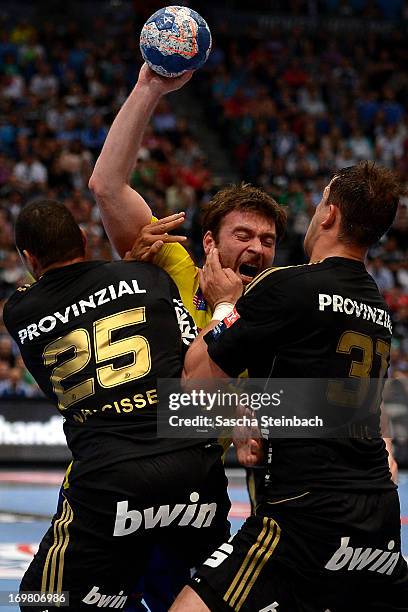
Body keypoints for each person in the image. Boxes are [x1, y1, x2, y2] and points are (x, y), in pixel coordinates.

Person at [170, 162, 408, 611]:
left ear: (330, 214)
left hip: (304, 510)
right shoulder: (376, 304)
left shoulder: (287, 285)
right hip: (377, 508)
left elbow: (196, 384)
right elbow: (329, 394)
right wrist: (250, 410)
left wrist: (223, 305)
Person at [3, 200, 230, 611]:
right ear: (85, 240)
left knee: (39, 598)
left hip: (109, 478)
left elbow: (76, 297)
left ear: (29, 259)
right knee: (194, 594)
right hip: (195, 470)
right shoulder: (148, 277)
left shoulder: (18, 310)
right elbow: (188, 358)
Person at [89, 64, 287, 519]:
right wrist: (148, 89)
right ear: (211, 243)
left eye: (268, 240)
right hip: (121, 473)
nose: (257, 247)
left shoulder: (272, 306)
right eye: (243, 235)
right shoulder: (169, 259)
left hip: (196, 490)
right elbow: (107, 186)